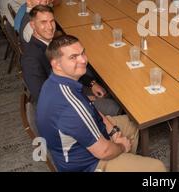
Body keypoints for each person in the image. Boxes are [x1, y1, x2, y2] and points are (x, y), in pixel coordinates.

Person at [36, 34, 165, 172]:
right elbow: (102, 151)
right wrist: (122, 147)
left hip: (84, 141)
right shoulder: (70, 106)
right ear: (56, 64)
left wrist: (113, 131)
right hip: (87, 165)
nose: (83, 60)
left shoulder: (58, 81)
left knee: (133, 123)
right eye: (73, 57)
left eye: (82, 53)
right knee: (157, 167)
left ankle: (126, 160)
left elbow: (92, 109)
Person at [22, 6, 120, 117]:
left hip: (74, 89)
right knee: (114, 107)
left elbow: (70, 69)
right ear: (32, 25)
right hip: (66, 108)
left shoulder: (50, 43)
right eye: (43, 22)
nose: (50, 27)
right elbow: (43, 97)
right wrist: (81, 98)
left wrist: (92, 83)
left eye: (52, 21)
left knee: (108, 89)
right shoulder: (31, 59)